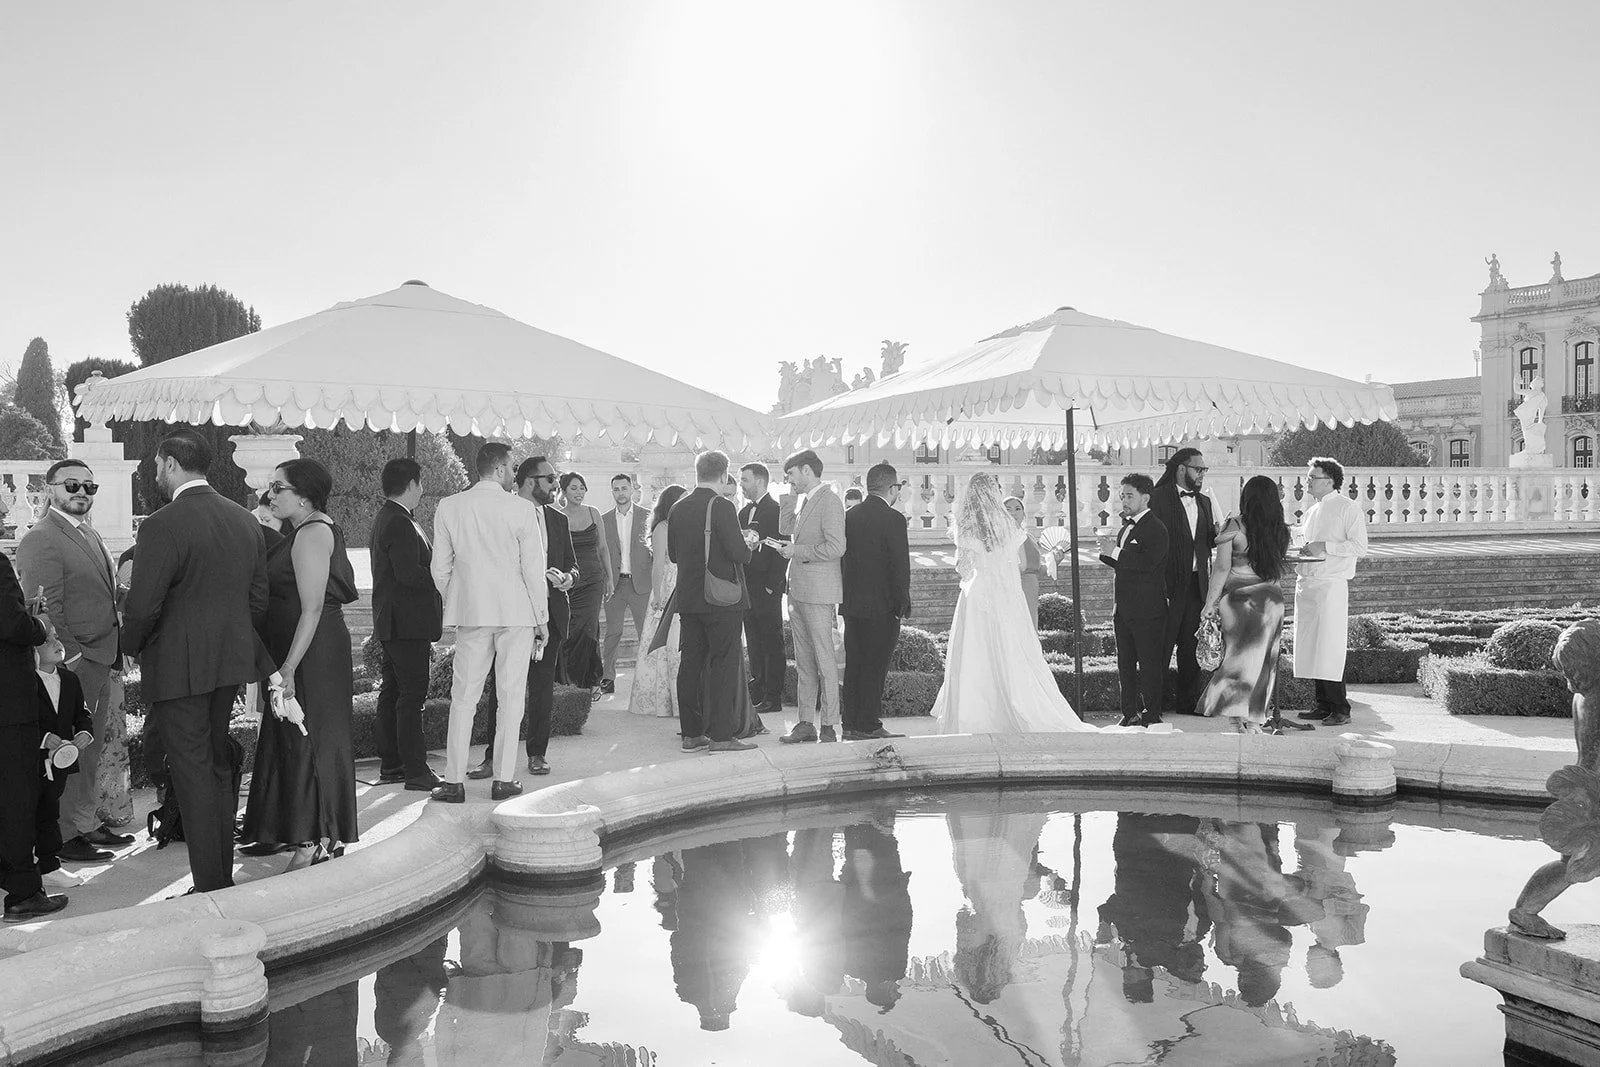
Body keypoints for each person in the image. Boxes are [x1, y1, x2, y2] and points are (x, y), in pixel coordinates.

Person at [123, 429, 268, 893]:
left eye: (157, 467)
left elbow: (143, 605)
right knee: (213, 766)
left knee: (194, 773)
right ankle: (215, 876)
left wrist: (128, 645)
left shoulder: (162, 524)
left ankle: (211, 885)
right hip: (226, 664)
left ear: (168, 463)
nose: (156, 475)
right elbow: (258, 601)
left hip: (178, 669)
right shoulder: (245, 521)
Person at [935, 471, 1136, 735]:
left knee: (976, 650)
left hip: (977, 593)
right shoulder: (1007, 526)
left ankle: (974, 715)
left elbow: (962, 568)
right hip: (1007, 595)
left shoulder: (967, 527)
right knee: (1014, 650)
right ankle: (1016, 705)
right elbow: (1020, 563)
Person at [241, 458, 360, 871]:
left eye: (278, 488)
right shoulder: (308, 530)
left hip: (312, 653)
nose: (269, 495)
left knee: (306, 738)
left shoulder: (311, 534)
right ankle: (319, 837)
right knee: (306, 737)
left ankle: (312, 841)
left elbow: (310, 609)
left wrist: (288, 668)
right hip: (311, 648)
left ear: (305, 496)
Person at [16, 459, 133, 863]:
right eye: (72, 484)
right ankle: (64, 835)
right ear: (51, 488)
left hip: (103, 657)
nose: (81, 492)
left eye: (89, 486)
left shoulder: (88, 532)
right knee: (70, 751)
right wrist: (75, 658)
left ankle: (83, 823)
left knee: (91, 746)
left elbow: (103, 591)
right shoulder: (42, 538)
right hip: (77, 663)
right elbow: (44, 610)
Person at [429, 443, 549, 803]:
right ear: (499, 470)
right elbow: (533, 570)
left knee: (463, 698)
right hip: (516, 613)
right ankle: (504, 779)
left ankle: (453, 781)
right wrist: (541, 618)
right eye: (512, 468)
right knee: (510, 697)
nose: (515, 474)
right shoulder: (520, 509)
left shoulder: (449, 506)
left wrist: (460, 597)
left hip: (471, 613)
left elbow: (439, 568)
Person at [471, 457, 579, 778]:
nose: (555, 485)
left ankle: (537, 755)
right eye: (551, 479)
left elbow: (574, 565)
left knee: (542, 690)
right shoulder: (500, 514)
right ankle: (492, 758)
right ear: (531, 481)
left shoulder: (558, 520)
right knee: (501, 691)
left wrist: (568, 578)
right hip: (510, 617)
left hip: (550, 615)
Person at [668, 450, 755, 753]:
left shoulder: (678, 507)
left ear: (697, 472)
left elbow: (673, 555)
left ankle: (691, 734)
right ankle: (721, 736)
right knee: (723, 665)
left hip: (689, 598)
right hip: (721, 599)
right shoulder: (722, 505)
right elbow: (738, 553)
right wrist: (750, 545)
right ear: (723, 474)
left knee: (690, 665)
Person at [368, 458, 444, 791]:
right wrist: (443, 577)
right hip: (406, 624)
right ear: (412, 484)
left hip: (395, 622)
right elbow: (408, 573)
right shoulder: (398, 521)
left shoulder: (390, 517)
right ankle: (415, 770)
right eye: (421, 484)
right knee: (412, 697)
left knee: (394, 693)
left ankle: (393, 764)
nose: (422, 490)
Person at [1197, 475, 1291, 732]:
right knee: (1264, 662)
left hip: (1239, 601)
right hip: (1271, 600)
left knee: (1237, 659)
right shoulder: (1281, 529)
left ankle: (1236, 717)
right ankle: (1254, 719)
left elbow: (1221, 568)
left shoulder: (1234, 525)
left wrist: (1209, 603)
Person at [0, 558, 61, 922]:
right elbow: (12, 625)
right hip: (8, 707)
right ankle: (23, 891)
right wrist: (39, 625)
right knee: (16, 798)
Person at [1293, 457, 1368, 728]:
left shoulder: (1348, 508)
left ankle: (1340, 707)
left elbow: (1359, 547)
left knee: (1330, 647)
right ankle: (1321, 703)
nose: (1308, 481)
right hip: (1308, 584)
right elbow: (1309, 545)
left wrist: (1325, 546)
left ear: (1331, 480)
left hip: (1331, 584)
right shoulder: (1312, 510)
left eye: (1313, 477)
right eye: (1308, 477)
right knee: (1311, 647)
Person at [776, 449, 845, 744]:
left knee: (824, 659)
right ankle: (806, 723)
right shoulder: (805, 500)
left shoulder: (829, 501)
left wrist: (797, 552)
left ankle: (829, 724)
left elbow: (836, 547)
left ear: (806, 470)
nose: (787, 480)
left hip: (818, 593)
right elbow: (785, 528)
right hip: (798, 591)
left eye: (790, 474)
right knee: (804, 660)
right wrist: (789, 497)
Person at [840, 463, 910, 741]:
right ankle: (869, 723)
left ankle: (850, 723)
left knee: (855, 663)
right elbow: (899, 566)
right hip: (882, 605)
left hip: (852, 603)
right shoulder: (893, 519)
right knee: (875, 665)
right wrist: (901, 601)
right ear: (892, 488)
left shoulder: (849, 516)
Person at [1099, 473, 1170, 728]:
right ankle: (1129, 713)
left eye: (1129, 496)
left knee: (1150, 666)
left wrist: (1115, 552)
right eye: (1122, 496)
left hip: (1149, 611)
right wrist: (1106, 553)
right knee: (1125, 665)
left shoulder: (1157, 528)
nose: (1124, 501)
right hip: (1124, 609)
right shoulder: (1125, 527)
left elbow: (1149, 564)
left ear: (1146, 497)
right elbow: (1123, 565)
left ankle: (1152, 714)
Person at [1149, 448, 1217, 716]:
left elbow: (1205, 540)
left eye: (1203, 470)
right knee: (1161, 647)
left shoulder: (1205, 502)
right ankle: (1154, 703)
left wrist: (1220, 534)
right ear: (1181, 469)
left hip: (1196, 585)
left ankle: (1187, 703)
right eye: (1198, 469)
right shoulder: (1157, 498)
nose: (1201, 474)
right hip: (1166, 586)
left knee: (1191, 648)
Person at [628, 484, 688, 718]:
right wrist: (659, 595)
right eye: (681, 499)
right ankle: (661, 701)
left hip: (684, 583)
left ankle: (681, 699)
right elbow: (658, 565)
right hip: (666, 586)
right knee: (664, 643)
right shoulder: (662, 527)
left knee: (678, 645)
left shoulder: (684, 524)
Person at [717, 474, 766, 739]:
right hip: (726, 591)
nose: (729, 499)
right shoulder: (723, 511)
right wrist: (746, 545)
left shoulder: (733, 511)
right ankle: (731, 720)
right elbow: (737, 553)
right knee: (728, 657)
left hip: (733, 589)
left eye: (731, 494)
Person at [557, 472, 611, 702]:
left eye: (582, 488)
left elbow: (603, 548)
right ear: (564, 491)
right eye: (573, 488)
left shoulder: (593, 512)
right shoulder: (558, 517)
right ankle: (569, 682)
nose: (579, 492)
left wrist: (609, 578)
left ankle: (589, 683)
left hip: (594, 580)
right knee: (570, 630)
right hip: (570, 581)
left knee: (588, 627)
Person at [738, 462, 786, 715]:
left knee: (771, 640)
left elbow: (782, 550)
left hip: (767, 586)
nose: (741, 485)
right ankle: (757, 685)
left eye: (745, 480)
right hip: (746, 586)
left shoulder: (777, 510)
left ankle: (773, 695)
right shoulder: (742, 512)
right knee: (754, 640)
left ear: (759, 481)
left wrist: (772, 585)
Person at [600, 474, 651, 695]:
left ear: (632, 490)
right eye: (616, 489)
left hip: (640, 583)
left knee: (645, 633)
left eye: (624, 488)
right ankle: (607, 677)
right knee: (613, 632)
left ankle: (647, 676)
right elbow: (599, 553)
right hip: (615, 584)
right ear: (612, 492)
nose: (620, 493)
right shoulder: (603, 520)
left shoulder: (647, 516)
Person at [1002, 494, 1046, 629]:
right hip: (1012, 586)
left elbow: (1038, 569)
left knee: (1030, 626)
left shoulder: (1029, 537)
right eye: (1008, 509)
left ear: (1023, 513)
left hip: (1031, 588)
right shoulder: (1000, 539)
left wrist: (1055, 561)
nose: (1013, 513)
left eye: (1017, 509)